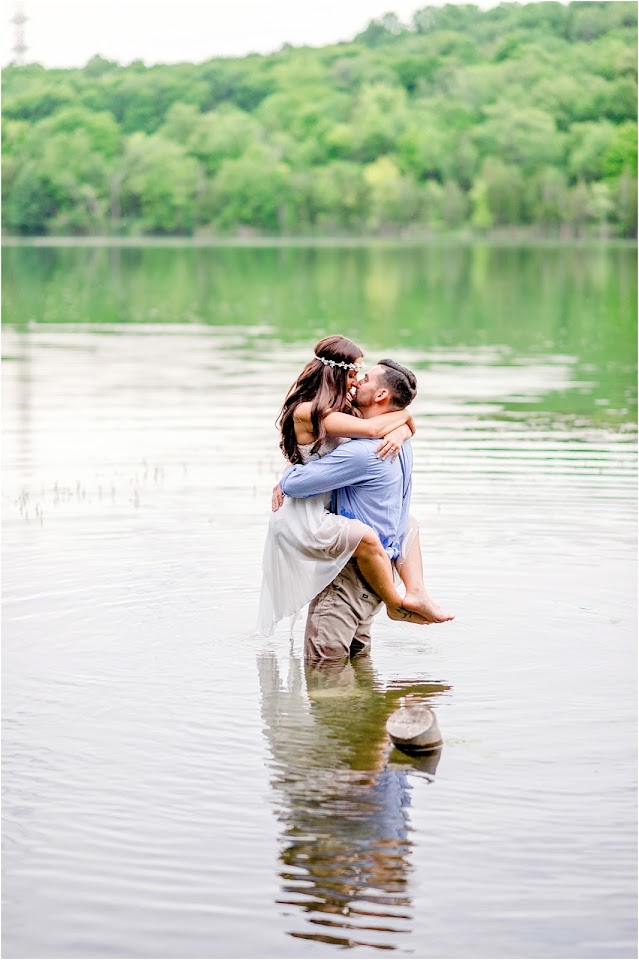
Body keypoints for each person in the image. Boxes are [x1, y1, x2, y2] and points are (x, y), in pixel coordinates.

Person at [257, 335, 452, 638]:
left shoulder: (342, 408)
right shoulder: (310, 411)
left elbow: (382, 427)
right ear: (336, 372)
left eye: (363, 376)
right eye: (353, 374)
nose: (357, 381)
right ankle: (395, 603)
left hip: (321, 496)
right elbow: (375, 428)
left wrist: (401, 431)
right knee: (367, 537)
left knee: (408, 521)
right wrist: (404, 417)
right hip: (305, 510)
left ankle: (417, 591)